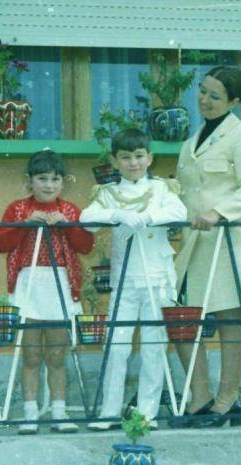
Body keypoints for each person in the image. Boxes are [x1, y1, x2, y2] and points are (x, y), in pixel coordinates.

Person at [173, 66, 241, 427]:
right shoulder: (192, 140)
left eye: (215, 96)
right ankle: (200, 397)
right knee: (183, 320)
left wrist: (219, 212)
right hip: (196, 245)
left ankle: (228, 399)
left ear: (233, 102)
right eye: (202, 91)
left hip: (229, 240)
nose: (205, 100)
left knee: (231, 320)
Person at [80, 128, 187, 430]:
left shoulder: (162, 189)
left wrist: (149, 218)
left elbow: (179, 211)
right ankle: (109, 412)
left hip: (157, 278)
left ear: (149, 158)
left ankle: (146, 414)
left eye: (139, 156)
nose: (133, 163)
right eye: (126, 157)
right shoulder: (108, 193)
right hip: (125, 279)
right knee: (117, 346)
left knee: (154, 346)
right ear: (115, 161)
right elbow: (86, 220)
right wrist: (117, 215)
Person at [0, 149, 94, 434]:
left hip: (60, 283)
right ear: (30, 181)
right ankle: (30, 413)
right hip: (29, 284)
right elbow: (0, 243)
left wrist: (68, 225)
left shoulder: (70, 210)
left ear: (63, 182)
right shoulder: (17, 209)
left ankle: (59, 412)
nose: (49, 185)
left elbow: (85, 246)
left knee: (57, 354)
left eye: (55, 179)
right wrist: (24, 225)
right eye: (42, 179)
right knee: (31, 354)